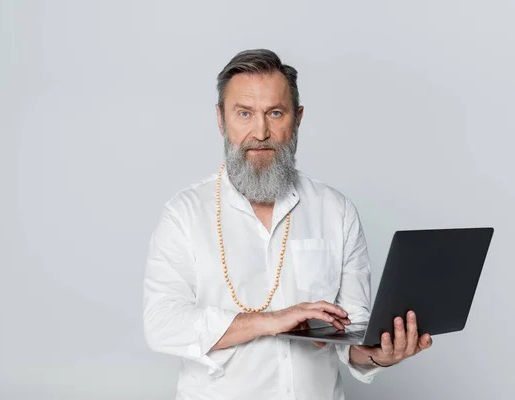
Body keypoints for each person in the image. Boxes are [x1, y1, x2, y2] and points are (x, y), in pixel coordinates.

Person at [142, 49, 432, 400]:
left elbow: (352, 334)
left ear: (297, 118)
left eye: (275, 113)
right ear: (221, 119)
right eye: (244, 113)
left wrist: (380, 355)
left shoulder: (336, 211)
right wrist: (271, 321)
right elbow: (162, 325)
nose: (260, 131)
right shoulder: (184, 214)